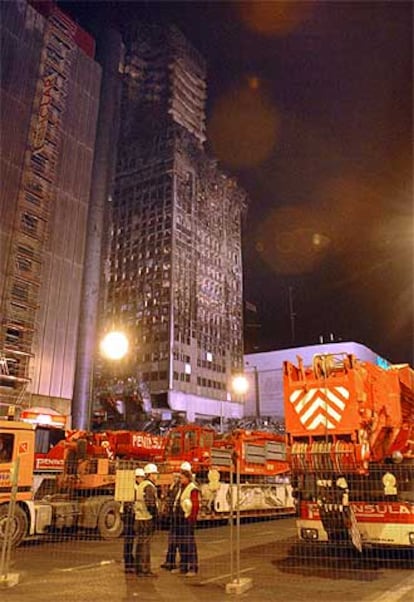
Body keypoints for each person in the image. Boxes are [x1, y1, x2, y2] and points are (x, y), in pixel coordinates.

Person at [160, 461, 193, 571]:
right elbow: (173, 497)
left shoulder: (188, 487)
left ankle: (184, 565)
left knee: (184, 543)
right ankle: (171, 562)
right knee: (173, 540)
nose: (180, 476)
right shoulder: (178, 485)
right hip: (176, 516)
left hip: (183, 518)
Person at [171, 466, 200, 577]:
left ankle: (192, 567)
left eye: (182, 478)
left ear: (188, 478)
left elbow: (195, 506)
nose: (181, 480)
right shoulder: (181, 488)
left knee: (189, 544)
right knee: (181, 544)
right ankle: (183, 566)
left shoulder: (192, 488)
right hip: (179, 519)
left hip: (186, 520)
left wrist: (191, 519)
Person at [133, 462, 159, 577]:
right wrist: (155, 515)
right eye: (155, 474)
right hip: (146, 518)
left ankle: (139, 568)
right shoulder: (149, 486)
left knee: (140, 543)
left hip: (139, 517)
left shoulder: (141, 485)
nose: (156, 476)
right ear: (150, 474)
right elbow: (151, 504)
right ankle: (144, 569)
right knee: (145, 544)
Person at [123, 467, 145, 574]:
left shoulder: (130, 486)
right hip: (130, 516)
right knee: (129, 541)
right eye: (141, 478)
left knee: (129, 541)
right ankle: (129, 564)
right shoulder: (135, 488)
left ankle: (129, 562)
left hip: (127, 515)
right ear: (137, 477)